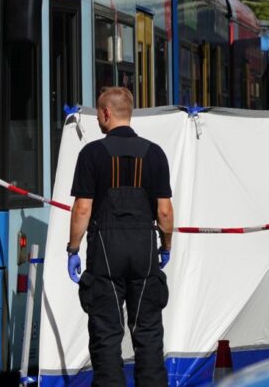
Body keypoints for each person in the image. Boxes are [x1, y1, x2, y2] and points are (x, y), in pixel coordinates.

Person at [66, 87, 174, 387]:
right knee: (148, 332)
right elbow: (165, 211)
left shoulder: (91, 154)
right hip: (144, 252)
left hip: (105, 254)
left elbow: (82, 208)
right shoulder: (155, 153)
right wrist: (166, 246)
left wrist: (73, 249)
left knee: (107, 334)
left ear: (105, 113)